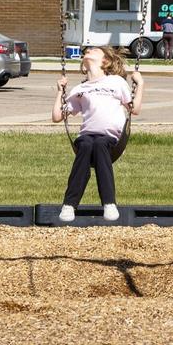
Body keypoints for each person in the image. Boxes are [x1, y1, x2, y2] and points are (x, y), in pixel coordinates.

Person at [52, 46, 144, 223]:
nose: (88, 51)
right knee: (85, 144)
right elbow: (57, 116)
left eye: (94, 50)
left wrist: (140, 84)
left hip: (111, 141)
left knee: (100, 144)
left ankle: (109, 203)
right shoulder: (80, 89)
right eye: (87, 50)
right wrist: (59, 91)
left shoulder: (116, 82)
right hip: (86, 137)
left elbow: (135, 109)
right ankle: (69, 205)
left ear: (105, 61)